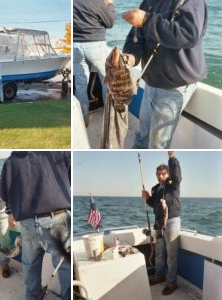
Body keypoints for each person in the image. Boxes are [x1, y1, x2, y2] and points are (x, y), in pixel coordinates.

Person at [122, 0, 208, 148]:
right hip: (151, 80)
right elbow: (136, 37)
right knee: (142, 134)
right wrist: (130, 57)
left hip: (175, 84)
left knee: (157, 144)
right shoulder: (147, 2)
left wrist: (146, 20)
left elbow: (187, 34)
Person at [0, 151, 71, 300]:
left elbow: (5, 196)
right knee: (65, 269)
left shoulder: (10, 162)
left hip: (28, 224)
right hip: (59, 220)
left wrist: (11, 211)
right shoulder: (59, 153)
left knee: (30, 269)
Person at [142, 151, 181, 295]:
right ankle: (159, 275)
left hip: (172, 222)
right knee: (159, 253)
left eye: (163, 174)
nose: (160, 176)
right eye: (158, 174)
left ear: (168, 174)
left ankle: (171, 282)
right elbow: (154, 204)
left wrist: (172, 158)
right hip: (158, 223)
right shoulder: (155, 188)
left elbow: (177, 176)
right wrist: (147, 198)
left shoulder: (173, 185)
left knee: (171, 254)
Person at [73, 0, 116, 125]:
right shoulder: (97, 2)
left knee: (81, 85)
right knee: (107, 81)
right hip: (95, 45)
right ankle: (109, 121)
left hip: (75, 45)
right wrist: (110, 4)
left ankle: (83, 121)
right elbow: (110, 22)